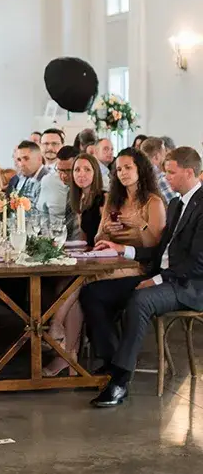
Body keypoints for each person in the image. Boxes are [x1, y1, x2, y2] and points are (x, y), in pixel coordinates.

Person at [82, 147, 203, 407]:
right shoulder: (176, 203)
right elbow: (160, 250)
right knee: (93, 293)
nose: (165, 177)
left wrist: (157, 280)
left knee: (141, 300)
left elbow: (198, 263)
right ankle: (113, 360)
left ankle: (120, 381)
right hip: (162, 275)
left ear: (189, 172)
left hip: (188, 285)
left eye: (170, 172)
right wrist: (122, 249)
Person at [43, 154, 106, 377]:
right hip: (84, 257)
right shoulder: (76, 198)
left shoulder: (103, 198)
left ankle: (56, 324)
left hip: (103, 260)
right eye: (77, 170)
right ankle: (69, 357)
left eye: (87, 170)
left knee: (71, 284)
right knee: (64, 286)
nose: (81, 174)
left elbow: (102, 236)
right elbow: (80, 237)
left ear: (95, 173)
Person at [96, 148, 165, 254]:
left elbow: (153, 246)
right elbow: (98, 242)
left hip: (139, 260)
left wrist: (141, 225)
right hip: (112, 257)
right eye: (119, 169)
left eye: (128, 167)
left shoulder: (154, 202)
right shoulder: (112, 201)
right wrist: (105, 231)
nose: (123, 173)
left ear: (140, 169)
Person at [36, 144, 75, 222]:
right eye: (60, 170)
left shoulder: (86, 185)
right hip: (55, 228)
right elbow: (42, 213)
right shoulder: (48, 181)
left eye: (68, 170)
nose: (64, 175)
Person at [140, 136, 177, 204]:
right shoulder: (160, 178)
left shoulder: (139, 174)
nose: (166, 154)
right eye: (164, 151)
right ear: (157, 156)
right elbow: (174, 204)